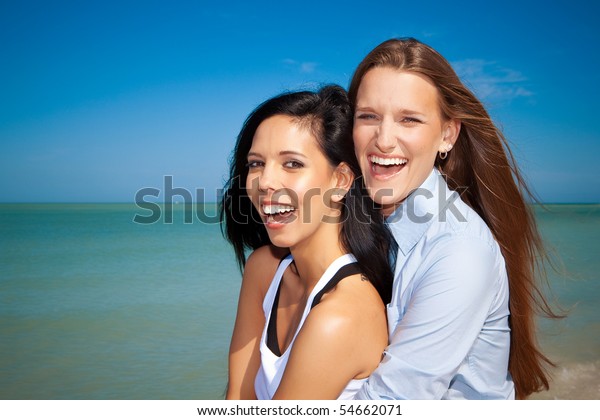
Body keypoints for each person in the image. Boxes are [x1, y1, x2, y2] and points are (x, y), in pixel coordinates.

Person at [348, 38, 558, 400]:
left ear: (447, 134)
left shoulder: (460, 252)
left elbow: (392, 402)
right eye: (368, 116)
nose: (383, 140)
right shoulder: (360, 220)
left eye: (408, 119)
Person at [220, 85, 394, 399]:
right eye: (256, 163)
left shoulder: (342, 315)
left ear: (340, 181)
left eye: (292, 164)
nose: (265, 182)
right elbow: (238, 399)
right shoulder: (264, 268)